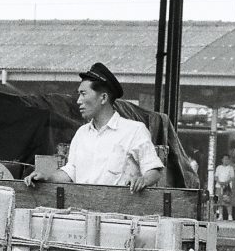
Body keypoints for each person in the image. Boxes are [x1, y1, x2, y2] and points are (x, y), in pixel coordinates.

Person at [24, 62, 163, 192]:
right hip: (82, 209)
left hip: (118, 214)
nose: (78, 101)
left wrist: (143, 180)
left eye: (83, 94)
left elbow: (154, 170)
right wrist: (47, 177)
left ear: (103, 98)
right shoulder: (82, 133)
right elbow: (71, 171)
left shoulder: (134, 130)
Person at [214, 154, 235, 221]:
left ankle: (230, 216)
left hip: (227, 187)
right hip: (219, 186)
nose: (226, 160)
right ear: (222, 160)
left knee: (227, 201)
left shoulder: (230, 168)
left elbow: (232, 177)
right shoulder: (218, 167)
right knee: (219, 201)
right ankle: (220, 215)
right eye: (224, 159)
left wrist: (225, 183)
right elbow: (216, 177)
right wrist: (220, 182)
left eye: (227, 159)